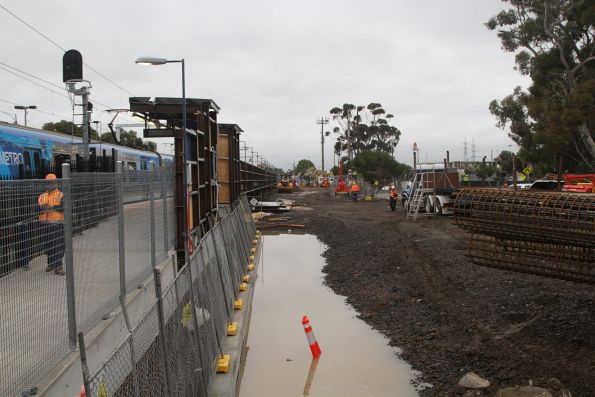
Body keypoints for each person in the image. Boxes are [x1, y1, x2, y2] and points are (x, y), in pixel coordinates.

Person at [38, 173, 65, 275]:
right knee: (47, 245)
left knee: (58, 245)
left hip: (58, 225)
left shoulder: (61, 195)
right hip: (45, 225)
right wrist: (42, 209)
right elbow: (36, 210)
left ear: (56, 183)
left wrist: (52, 208)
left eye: (52, 183)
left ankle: (59, 266)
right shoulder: (42, 196)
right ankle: (51, 263)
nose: (50, 185)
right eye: (48, 183)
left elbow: (66, 208)